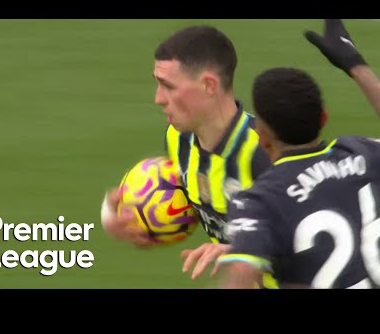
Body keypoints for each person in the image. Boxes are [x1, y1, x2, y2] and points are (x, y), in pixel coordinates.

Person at [215, 19, 380, 289]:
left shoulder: (258, 201)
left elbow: (243, 273)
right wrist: (356, 65)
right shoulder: (367, 153)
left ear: (261, 136)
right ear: (324, 118)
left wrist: (241, 250)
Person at [100, 25, 272, 283]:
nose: (158, 98)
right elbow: (189, 198)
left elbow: (313, 241)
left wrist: (242, 252)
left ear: (208, 85)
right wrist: (121, 218)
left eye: (168, 86)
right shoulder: (178, 140)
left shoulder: (265, 152)